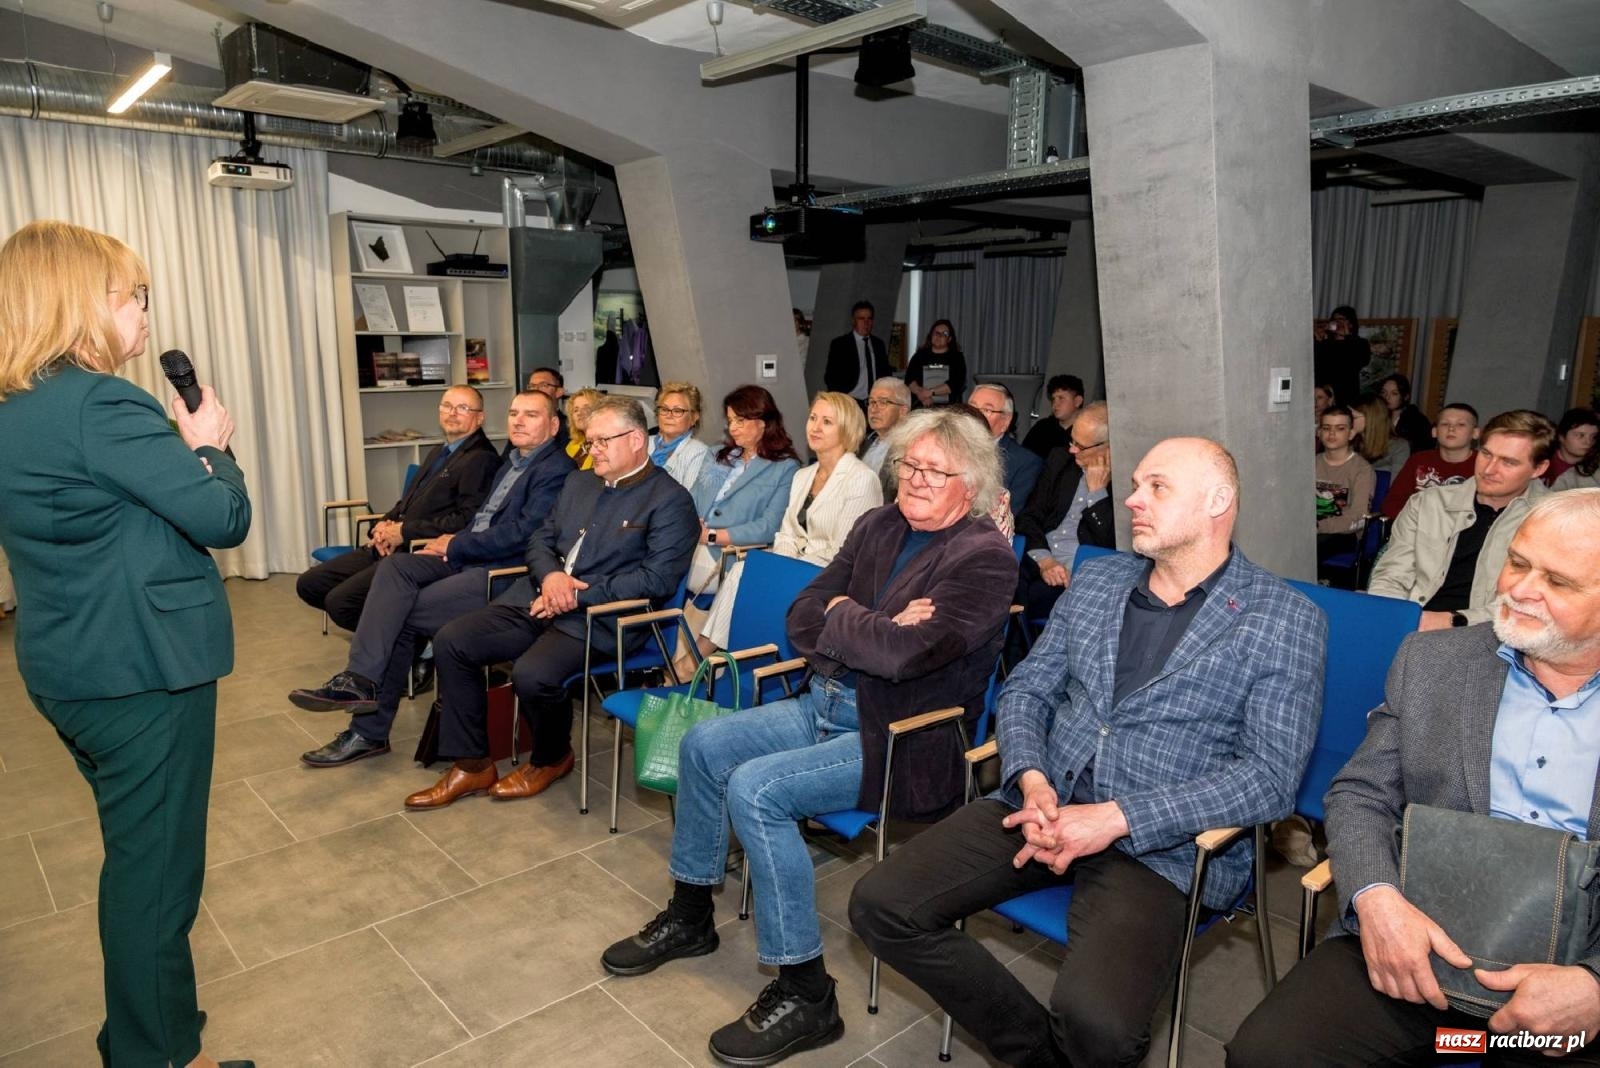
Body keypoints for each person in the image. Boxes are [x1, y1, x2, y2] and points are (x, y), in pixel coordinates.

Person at [849, 437, 1326, 1068]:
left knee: (1096, 1023)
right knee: (881, 905)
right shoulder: (1101, 580)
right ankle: (1038, 1056)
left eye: (1157, 487)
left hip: (1159, 847)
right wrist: (1031, 775)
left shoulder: (1283, 618)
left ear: (1219, 501)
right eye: (1136, 484)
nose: (1131, 499)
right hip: (1044, 805)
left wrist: (1116, 817)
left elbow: (1269, 779)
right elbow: (1027, 688)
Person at [600, 407, 1017, 1066]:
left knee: (757, 790)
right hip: (822, 699)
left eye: (936, 472)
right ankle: (690, 914)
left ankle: (806, 991)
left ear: (972, 485)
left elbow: (906, 658)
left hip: (899, 734)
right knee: (703, 746)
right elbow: (803, 614)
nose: (915, 479)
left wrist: (848, 617)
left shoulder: (983, 558)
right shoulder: (879, 523)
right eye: (909, 464)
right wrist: (869, 620)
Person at [0, 220, 253, 1068]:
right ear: (81, 304)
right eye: (130, 296)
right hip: (144, 673)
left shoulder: (18, 406)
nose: (143, 312)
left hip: (70, 663)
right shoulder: (104, 403)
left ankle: (154, 1034)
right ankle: (156, 1057)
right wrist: (212, 451)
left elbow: (99, 516)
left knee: (137, 856)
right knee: (156, 882)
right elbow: (222, 518)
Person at [1229, 490, 1600, 1068]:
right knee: (1266, 1055)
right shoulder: (1434, 663)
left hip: (1578, 977)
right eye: (1520, 562)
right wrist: (1378, 901)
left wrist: (1595, 985)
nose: (1522, 589)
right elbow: (1360, 794)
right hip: (1418, 940)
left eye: (1560, 582)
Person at [401, 397, 699, 807]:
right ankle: (472, 764)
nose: (591, 450)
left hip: (603, 617)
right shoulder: (580, 481)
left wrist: (576, 595)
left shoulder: (670, 500)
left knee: (532, 675)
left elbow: (656, 579)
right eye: (589, 441)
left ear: (635, 440)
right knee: (454, 639)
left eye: (601, 442)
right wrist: (553, 578)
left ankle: (551, 756)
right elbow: (540, 538)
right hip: (540, 594)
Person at [290, 391, 573, 766]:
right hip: (466, 554)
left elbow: (521, 535)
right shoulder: (512, 461)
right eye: (514, 413)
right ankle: (358, 680)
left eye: (531, 415)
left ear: (553, 425)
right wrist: (446, 544)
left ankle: (368, 732)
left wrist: (454, 544)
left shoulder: (556, 469)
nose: (518, 421)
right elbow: (482, 518)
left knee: (401, 614)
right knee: (395, 568)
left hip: (502, 572)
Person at [295, 384, 500, 631]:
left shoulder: (481, 458)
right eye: (447, 406)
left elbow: (465, 519)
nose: (452, 413)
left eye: (463, 408)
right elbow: (408, 500)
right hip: (391, 544)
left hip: (416, 551)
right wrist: (384, 524)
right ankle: (397, 632)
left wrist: (403, 532)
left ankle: (404, 637)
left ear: (480, 417)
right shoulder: (440, 450)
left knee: (341, 603)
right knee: (310, 583)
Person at [697, 392, 882, 653]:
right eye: (813, 418)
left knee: (764, 577)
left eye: (827, 422)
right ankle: (720, 653)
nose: (815, 427)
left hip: (831, 575)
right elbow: (786, 534)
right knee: (743, 570)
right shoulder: (804, 475)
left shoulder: (862, 479)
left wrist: (786, 569)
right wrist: (778, 565)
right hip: (797, 564)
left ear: (847, 428)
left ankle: (698, 662)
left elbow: (846, 553)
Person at [1369, 409, 1553, 630]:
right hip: (1412, 619)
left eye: (1508, 462)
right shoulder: (1428, 503)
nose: (1489, 469)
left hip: (1489, 633)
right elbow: (1392, 575)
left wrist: (1453, 621)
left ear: (1539, 468)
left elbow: (1533, 604)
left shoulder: (1553, 520)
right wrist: (1393, 619)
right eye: (1486, 454)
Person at [678, 386, 800, 665]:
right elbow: (692, 498)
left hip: (730, 552)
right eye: (730, 420)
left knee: (667, 572)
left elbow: (768, 526)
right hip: (692, 542)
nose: (733, 427)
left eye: (740, 421)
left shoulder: (784, 467)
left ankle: (683, 663)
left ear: (764, 421)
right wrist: (688, 523)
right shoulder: (717, 454)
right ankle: (657, 655)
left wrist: (710, 535)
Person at [1014, 401, 1114, 618]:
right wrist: (1045, 560)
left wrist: (1097, 494)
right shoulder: (1060, 460)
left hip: (1080, 571)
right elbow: (1029, 516)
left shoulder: (1127, 481)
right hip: (1040, 555)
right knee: (1000, 580)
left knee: (1030, 599)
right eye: (1072, 440)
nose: (1072, 449)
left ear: (1108, 446)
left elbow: (1111, 542)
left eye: (1080, 446)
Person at [1381, 402, 1479, 520]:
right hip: (1417, 528)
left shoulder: (1484, 465)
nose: (1451, 429)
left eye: (1461, 424)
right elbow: (1392, 503)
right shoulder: (1419, 460)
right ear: (1434, 432)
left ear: (1475, 433)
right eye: (1445, 424)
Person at [1315, 404, 1377, 565]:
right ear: (1319, 432)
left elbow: (1358, 516)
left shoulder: (1362, 469)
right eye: (1326, 428)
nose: (1332, 433)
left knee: (1307, 547)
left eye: (1340, 428)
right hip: (1310, 529)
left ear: (1350, 434)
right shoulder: (1311, 463)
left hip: (1345, 534)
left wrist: (1317, 526)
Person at [970, 382, 1042, 513]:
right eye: (972, 407)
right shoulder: (947, 448)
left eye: (987, 410)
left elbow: (1008, 515)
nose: (976, 416)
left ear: (1006, 421)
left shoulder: (1025, 463)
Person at [822, 299, 890, 407]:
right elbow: (830, 377)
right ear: (853, 321)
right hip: (850, 401)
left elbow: (885, 374)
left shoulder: (878, 344)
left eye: (869, 319)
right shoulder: (841, 344)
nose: (866, 323)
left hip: (874, 402)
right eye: (861, 319)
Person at [648, 380, 712, 490]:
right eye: (664, 409)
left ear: (694, 417)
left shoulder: (698, 452)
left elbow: (687, 500)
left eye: (677, 411)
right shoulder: (642, 442)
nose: (669, 415)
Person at [1313, 305, 1371, 406]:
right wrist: (1317, 341)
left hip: (1347, 396)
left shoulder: (1360, 343)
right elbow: (1316, 365)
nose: (1338, 323)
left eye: (1342, 319)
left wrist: (1347, 336)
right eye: (1334, 320)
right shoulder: (1325, 344)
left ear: (1351, 324)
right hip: (1324, 397)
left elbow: (1361, 360)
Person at [904, 318, 967, 409]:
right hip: (921, 407)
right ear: (930, 336)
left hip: (949, 409)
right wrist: (921, 394)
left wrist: (930, 392)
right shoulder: (919, 355)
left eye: (944, 334)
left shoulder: (957, 358)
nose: (939, 336)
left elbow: (956, 383)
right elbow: (909, 379)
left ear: (949, 339)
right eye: (936, 333)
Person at [1020, 374, 1086, 459]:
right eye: (1053, 399)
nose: (1055, 404)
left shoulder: (1088, 431)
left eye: (1061, 398)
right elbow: (1024, 458)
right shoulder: (1042, 428)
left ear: (1077, 401)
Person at [859, 375, 910, 484]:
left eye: (883, 403)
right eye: (871, 402)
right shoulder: (861, 442)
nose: (873, 409)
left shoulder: (908, 447)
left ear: (903, 411)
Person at [1351, 393, 1409, 475]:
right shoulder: (1350, 445)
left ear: (1370, 419)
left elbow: (1396, 484)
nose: (1348, 421)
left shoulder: (1398, 447)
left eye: (1354, 417)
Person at [1380, 373, 1434, 455]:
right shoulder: (1377, 416)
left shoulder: (1417, 421)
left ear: (1405, 396)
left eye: (1394, 393)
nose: (1387, 397)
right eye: (1384, 392)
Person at [1543, 407, 1599, 486]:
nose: (1588, 442)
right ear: (1561, 437)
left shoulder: (1595, 469)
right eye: (1580, 435)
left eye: (1593, 437)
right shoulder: (1541, 462)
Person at [564, 385, 602, 471]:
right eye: (575, 410)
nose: (579, 413)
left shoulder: (608, 444)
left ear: (600, 411)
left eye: (586, 408)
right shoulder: (572, 445)